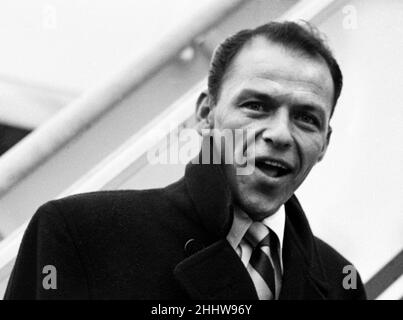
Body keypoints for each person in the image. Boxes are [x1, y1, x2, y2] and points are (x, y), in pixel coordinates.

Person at [4, 21, 366, 300]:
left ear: (324, 144)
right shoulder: (80, 235)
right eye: (256, 106)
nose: (281, 134)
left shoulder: (340, 281)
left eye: (306, 118)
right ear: (206, 114)